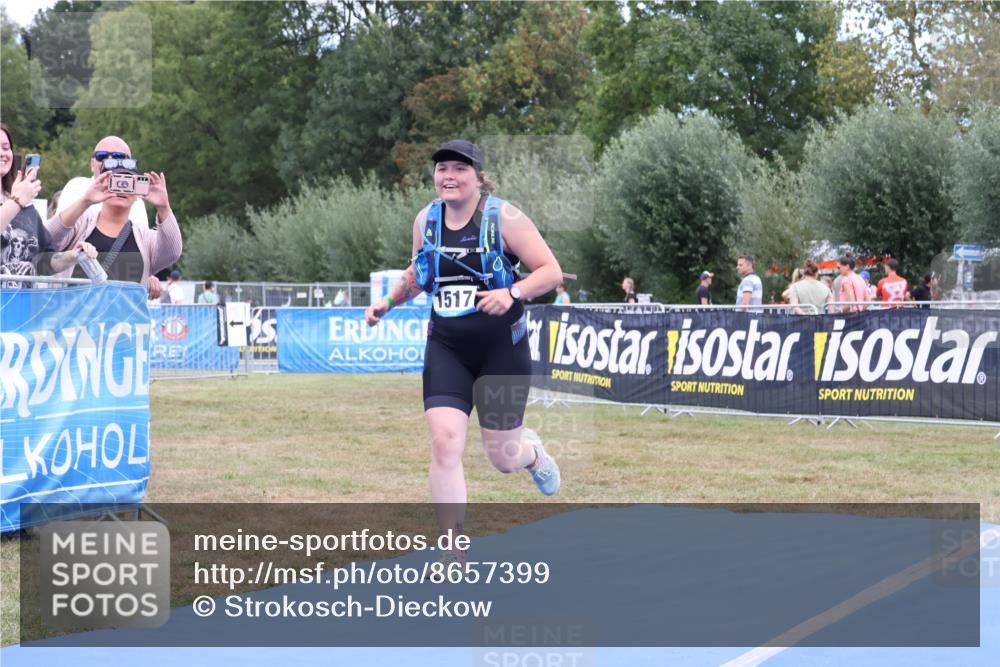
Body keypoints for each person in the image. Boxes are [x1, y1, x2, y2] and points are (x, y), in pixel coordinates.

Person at [364, 139, 563, 569]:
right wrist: (388, 301)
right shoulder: (426, 219)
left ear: (478, 176)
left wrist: (510, 292)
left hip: (501, 350)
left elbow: (549, 272)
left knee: (502, 458)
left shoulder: (504, 216)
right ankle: (452, 551)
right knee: (444, 442)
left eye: (459, 168)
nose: (448, 176)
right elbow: (420, 271)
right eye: (441, 169)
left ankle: (532, 454)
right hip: (447, 347)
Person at [45, 154, 180, 300]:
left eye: (128, 183)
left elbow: (172, 252)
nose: (121, 188)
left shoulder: (144, 237)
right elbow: (46, 239)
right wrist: (85, 200)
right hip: (76, 319)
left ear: (138, 193)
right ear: (102, 185)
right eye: (115, 182)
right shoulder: (81, 223)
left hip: (126, 321)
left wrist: (163, 207)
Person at [1, 123, 97, 288]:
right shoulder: (18, 201)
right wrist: (16, 200)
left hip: (20, 309)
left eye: (6, 147)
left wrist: (73, 255)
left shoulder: (25, 207)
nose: (3, 153)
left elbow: (45, 262)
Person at [56, 136, 150, 229]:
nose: (108, 160)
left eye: (118, 156)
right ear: (92, 164)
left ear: (130, 164)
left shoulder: (136, 201)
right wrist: (86, 201)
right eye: (101, 156)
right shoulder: (77, 187)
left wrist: (163, 209)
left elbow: (141, 241)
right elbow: (57, 233)